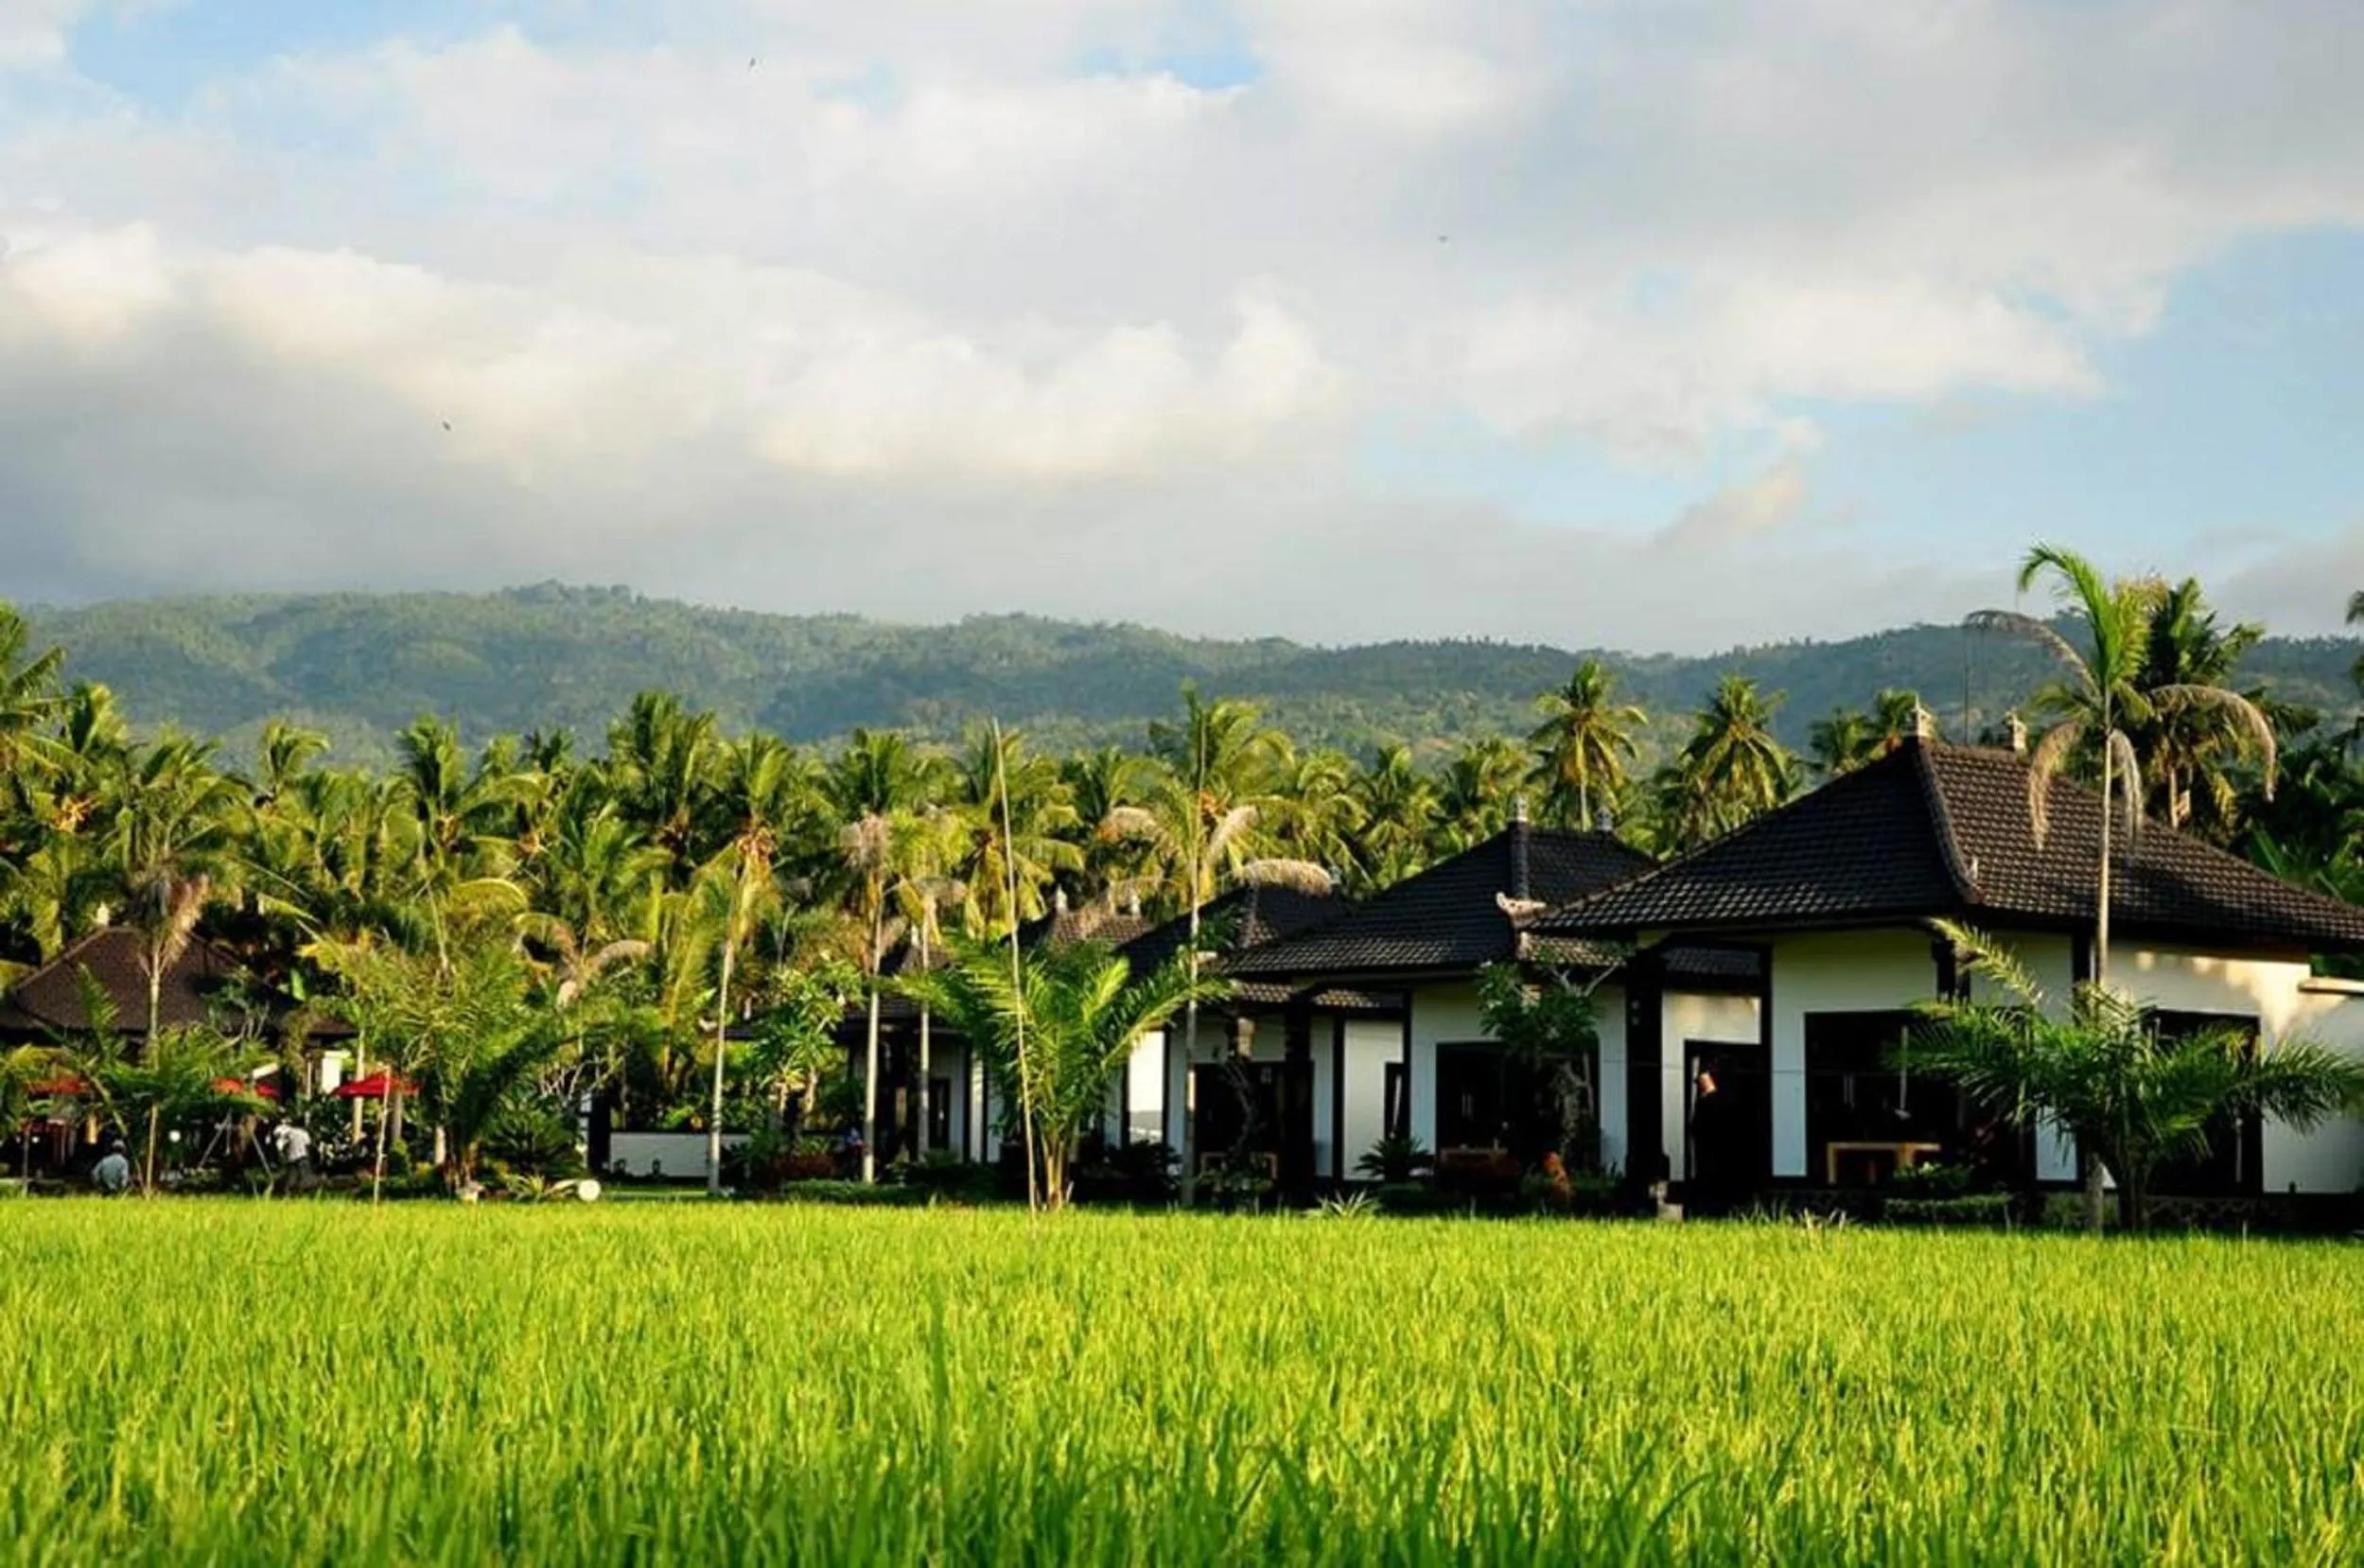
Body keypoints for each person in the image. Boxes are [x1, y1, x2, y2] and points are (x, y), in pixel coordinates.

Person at [1687, 1059, 1734, 1217]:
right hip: (1717, 1148)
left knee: (1707, 1177)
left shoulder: (1707, 1101)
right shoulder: (1722, 1100)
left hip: (1708, 1147)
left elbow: (1698, 1125)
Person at [271, 1120, 315, 1193]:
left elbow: (282, 1143)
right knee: (304, 1177)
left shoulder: (289, 1133)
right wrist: (310, 1157)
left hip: (292, 1158)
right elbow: (308, 1146)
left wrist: (284, 1154)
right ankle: (302, 1192)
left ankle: (288, 1191)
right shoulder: (304, 1133)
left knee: (291, 1177)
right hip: (302, 1157)